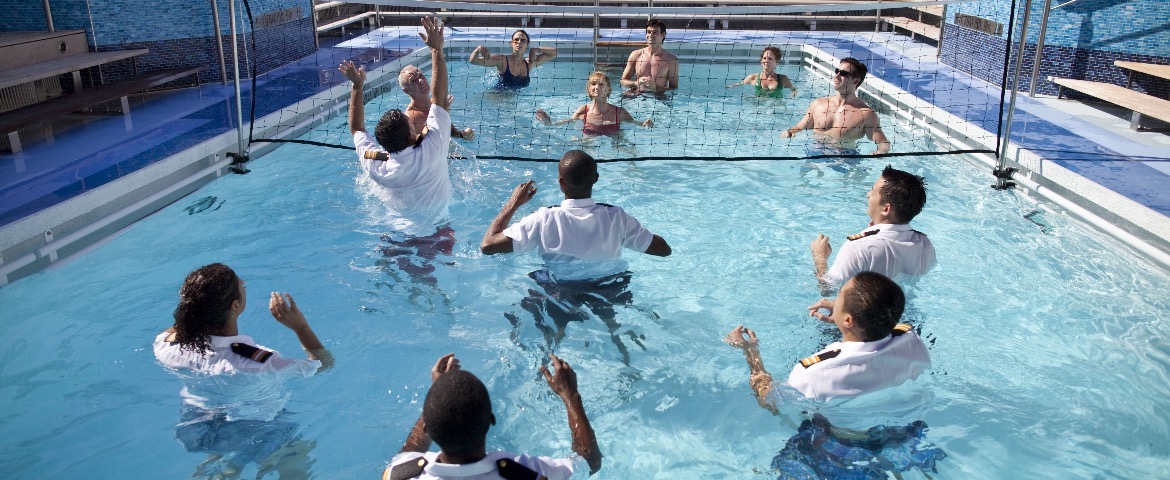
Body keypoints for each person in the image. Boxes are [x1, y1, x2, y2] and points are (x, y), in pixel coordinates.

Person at [725, 272, 944, 478]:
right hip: (904, 435)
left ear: (849, 320)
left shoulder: (813, 373)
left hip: (843, 448)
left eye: (839, 296)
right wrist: (847, 319)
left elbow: (769, 400)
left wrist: (750, 352)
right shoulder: (913, 342)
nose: (834, 300)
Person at [480, 150, 671, 363]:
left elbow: (488, 245)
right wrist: (631, 231)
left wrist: (514, 203)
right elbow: (664, 250)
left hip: (560, 291)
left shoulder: (543, 218)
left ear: (561, 183)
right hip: (607, 289)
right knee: (615, 331)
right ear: (596, 179)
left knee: (550, 339)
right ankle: (627, 366)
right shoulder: (617, 217)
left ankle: (548, 370)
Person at [153, 263, 333, 476]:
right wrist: (300, 327)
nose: (245, 283)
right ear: (236, 305)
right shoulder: (257, 362)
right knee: (295, 463)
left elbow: (179, 327)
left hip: (198, 425)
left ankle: (228, 467)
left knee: (227, 454)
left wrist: (195, 303)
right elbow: (323, 364)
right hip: (260, 429)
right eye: (242, 285)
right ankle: (236, 463)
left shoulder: (165, 346)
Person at [383, 353, 602, 479]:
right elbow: (589, 459)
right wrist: (570, 395)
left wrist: (441, 394)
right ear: (492, 420)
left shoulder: (400, 474)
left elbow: (411, 449)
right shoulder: (527, 474)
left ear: (427, 428)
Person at [339, 16, 452, 234]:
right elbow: (439, 100)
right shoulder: (432, 151)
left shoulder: (378, 165)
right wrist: (436, 49)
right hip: (437, 228)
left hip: (396, 231)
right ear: (412, 135)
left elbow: (356, 129)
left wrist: (356, 88)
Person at [811, 165, 935, 289]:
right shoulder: (925, 245)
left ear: (886, 209)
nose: (868, 195)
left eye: (873, 191)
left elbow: (827, 288)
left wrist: (820, 258)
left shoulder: (857, 247)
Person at [780, 57, 890, 155]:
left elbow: (883, 142)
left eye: (843, 74)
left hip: (844, 157)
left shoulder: (865, 114)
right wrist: (789, 132)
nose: (836, 76)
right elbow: (801, 126)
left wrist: (880, 152)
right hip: (814, 151)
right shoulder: (818, 104)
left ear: (855, 81)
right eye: (837, 71)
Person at [535, 72, 653, 136]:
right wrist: (549, 123)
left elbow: (636, 123)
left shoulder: (619, 112)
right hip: (589, 139)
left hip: (615, 139)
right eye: (593, 84)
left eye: (601, 84)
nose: (596, 87)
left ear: (608, 89)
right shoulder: (583, 110)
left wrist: (646, 124)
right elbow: (568, 122)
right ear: (589, 89)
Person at [398, 64, 474, 142]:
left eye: (420, 76)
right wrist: (443, 112)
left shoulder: (436, 103)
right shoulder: (411, 118)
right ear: (406, 91)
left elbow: (451, 131)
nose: (421, 81)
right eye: (414, 81)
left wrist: (462, 134)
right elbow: (420, 146)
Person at [469, 29, 557, 89]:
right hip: (497, 99)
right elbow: (473, 61)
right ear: (512, 43)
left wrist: (535, 49)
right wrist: (479, 49)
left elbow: (554, 53)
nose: (519, 42)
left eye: (523, 40)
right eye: (516, 40)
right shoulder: (502, 61)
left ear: (527, 44)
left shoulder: (529, 63)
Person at [620, 19, 679, 96]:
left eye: (655, 32)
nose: (651, 35)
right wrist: (636, 83)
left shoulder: (671, 60)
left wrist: (656, 88)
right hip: (637, 95)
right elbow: (623, 80)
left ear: (663, 35)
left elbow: (674, 87)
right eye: (649, 32)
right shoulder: (636, 55)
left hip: (658, 96)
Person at [727, 46, 796, 99]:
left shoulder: (783, 79)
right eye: (764, 58)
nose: (766, 61)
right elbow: (739, 84)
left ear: (776, 62)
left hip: (777, 108)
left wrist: (792, 95)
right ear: (761, 61)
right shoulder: (753, 78)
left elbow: (793, 89)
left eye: (770, 58)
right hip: (758, 107)